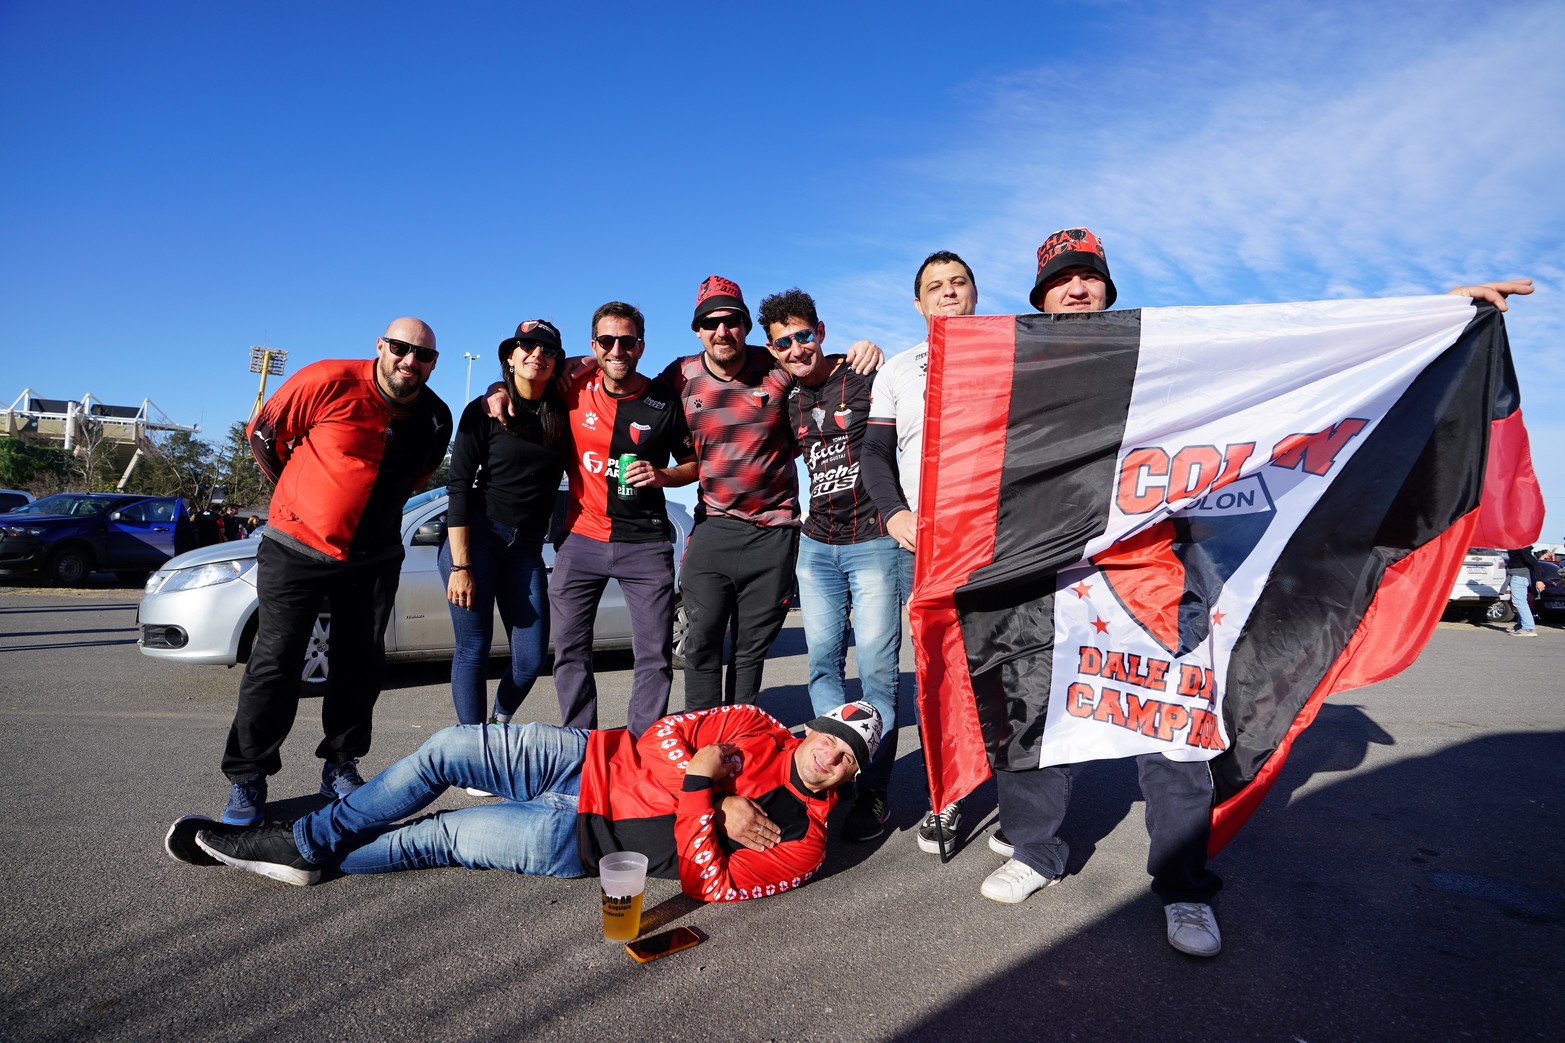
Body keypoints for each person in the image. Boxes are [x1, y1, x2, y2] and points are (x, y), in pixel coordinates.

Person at [973, 229, 1535, 959]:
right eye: (1061, 280)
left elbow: (1293, 344)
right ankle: (1035, 851)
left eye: (1089, 278)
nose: (1076, 289)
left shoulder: (1165, 355)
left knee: (1175, 732)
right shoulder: (1017, 364)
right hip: (1051, 578)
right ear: (1039, 295)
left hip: (1157, 581)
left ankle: (1181, 887)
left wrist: (1439, 319)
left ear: (1109, 291)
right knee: (1038, 717)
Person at [167, 701, 883, 904]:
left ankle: (306, 853)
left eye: (848, 755)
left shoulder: (807, 840)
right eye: (833, 734)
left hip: (572, 840)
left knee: (434, 836)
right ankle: (306, 841)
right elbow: (666, 736)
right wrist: (714, 789)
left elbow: (709, 882)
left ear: (849, 778)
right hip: (583, 755)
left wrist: (703, 792)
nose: (832, 752)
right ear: (811, 728)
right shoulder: (755, 724)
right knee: (448, 745)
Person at [219, 317, 452, 827]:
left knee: (360, 663)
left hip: (373, 558)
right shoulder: (327, 379)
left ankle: (341, 765)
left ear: (434, 363)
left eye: (424, 355)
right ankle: (248, 777)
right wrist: (301, 498)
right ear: (380, 346)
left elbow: (419, 476)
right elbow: (264, 436)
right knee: (276, 660)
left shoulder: (436, 418)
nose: (410, 361)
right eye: (400, 348)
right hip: (296, 548)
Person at [657, 277, 882, 711]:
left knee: (749, 650)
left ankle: (738, 742)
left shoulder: (775, 366)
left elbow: (819, 369)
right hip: (714, 526)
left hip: (774, 533)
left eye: (731, 321)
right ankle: (703, 744)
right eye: (710, 322)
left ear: (745, 327)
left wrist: (866, 349)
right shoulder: (679, 375)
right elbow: (627, 394)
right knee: (700, 642)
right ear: (697, 329)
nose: (721, 331)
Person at [760, 287, 901, 842]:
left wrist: (876, 350)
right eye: (782, 344)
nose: (795, 348)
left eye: (802, 336)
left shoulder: (866, 376)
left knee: (877, 674)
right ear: (772, 351)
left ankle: (873, 794)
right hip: (815, 546)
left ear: (820, 330)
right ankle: (833, 777)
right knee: (821, 666)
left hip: (873, 542)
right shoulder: (790, 398)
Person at [860, 250, 979, 855]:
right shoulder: (898, 370)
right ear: (918, 302)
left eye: (959, 283)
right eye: (936, 286)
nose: (948, 293)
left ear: (975, 293)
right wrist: (895, 513)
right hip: (923, 543)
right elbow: (875, 456)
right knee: (934, 670)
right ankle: (947, 795)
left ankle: (1020, 792)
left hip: (998, 537)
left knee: (998, 669)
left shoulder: (1008, 351)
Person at [548, 302, 697, 736]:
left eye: (627, 342)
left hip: (645, 544)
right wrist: (497, 391)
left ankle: (639, 751)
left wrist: (662, 474)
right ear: (593, 346)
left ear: (641, 347)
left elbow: (694, 464)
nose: (617, 350)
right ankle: (581, 747)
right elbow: (523, 381)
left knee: (654, 656)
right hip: (580, 539)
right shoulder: (571, 386)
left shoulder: (663, 401)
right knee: (570, 651)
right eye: (607, 341)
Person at [440, 320, 568, 731]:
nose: (537, 354)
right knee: (473, 649)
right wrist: (461, 567)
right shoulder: (484, 412)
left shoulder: (563, 415)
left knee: (531, 659)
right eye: (526, 346)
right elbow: (458, 486)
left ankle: (498, 724)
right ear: (509, 357)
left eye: (548, 350)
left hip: (525, 549)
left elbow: (597, 362)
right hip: (477, 541)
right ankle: (472, 750)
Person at [1504, 545, 1546, 636]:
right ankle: (1521, 626)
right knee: (1521, 601)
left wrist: (1539, 580)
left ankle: (1528, 628)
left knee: (1519, 601)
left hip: (1519, 576)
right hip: (1519, 575)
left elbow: (1534, 563)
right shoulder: (1519, 545)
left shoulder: (1520, 546)